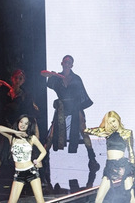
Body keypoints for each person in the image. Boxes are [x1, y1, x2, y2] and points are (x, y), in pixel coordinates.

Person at [84, 111, 135, 203]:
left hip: (123, 166)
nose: (112, 124)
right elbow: (86, 131)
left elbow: (131, 152)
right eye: (110, 122)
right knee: (99, 197)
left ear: (118, 119)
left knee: (131, 197)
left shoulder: (127, 133)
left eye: (114, 121)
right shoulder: (107, 133)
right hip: (110, 167)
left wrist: (133, 171)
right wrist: (101, 129)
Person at [41, 55, 100, 185]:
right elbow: (48, 83)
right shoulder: (56, 77)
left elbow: (82, 95)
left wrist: (79, 109)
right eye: (66, 62)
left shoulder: (76, 78)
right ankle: (43, 160)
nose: (67, 64)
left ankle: (92, 159)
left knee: (84, 132)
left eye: (70, 62)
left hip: (74, 108)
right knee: (51, 135)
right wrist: (52, 75)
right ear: (62, 63)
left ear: (72, 65)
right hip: (62, 108)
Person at [0, 114, 51, 203]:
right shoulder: (12, 138)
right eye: (21, 122)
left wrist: (38, 160)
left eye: (26, 124)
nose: (23, 125)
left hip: (31, 171)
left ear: (28, 126)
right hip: (19, 174)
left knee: (40, 201)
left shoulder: (31, 138)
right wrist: (15, 132)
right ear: (18, 122)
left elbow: (43, 151)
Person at [0, 69, 39, 189]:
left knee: (26, 152)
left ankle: (37, 178)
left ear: (23, 81)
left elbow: (31, 111)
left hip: (19, 127)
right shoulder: (5, 90)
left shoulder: (25, 94)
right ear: (12, 78)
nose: (18, 80)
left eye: (20, 78)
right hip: (8, 126)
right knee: (0, 152)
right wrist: (5, 84)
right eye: (16, 78)